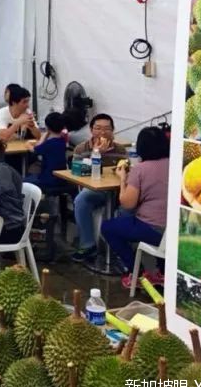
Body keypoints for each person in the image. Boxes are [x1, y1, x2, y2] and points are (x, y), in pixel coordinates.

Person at [101, 126, 169, 288]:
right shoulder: (175, 164)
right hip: (173, 231)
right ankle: (162, 273)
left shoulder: (140, 169)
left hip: (153, 229)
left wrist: (123, 178)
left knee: (108, 227)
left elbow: (127, 203)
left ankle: (136, 272)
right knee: (126, 219)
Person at [71, 114, 127, 262]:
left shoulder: (120, 149)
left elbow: (126, 169)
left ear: (113, 130)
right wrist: (96, 154)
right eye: (98, 128)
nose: (102, 132)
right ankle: (88, 245)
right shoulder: (81, 148)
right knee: (81, 200)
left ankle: (123, 250)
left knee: (132, 204)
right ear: (91, 130)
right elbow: (77, 173)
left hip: (117, 191)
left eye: (107, 129)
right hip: (95, 191)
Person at [24, 112, 68, 189]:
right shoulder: (63, 141)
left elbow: (34, 149)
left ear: (47, 127)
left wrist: (28, 144)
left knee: (22, 181)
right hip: (61, 179)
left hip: (47, 180)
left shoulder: (48, 144)